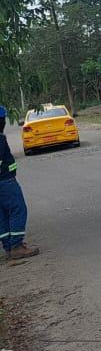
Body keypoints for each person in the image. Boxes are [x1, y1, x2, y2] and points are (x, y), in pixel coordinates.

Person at [0, 106, 39, 264]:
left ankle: (8, 247)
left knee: (3, 215)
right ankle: (16, 246)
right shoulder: (0, 139)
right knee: (18, 209)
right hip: (5, 182)